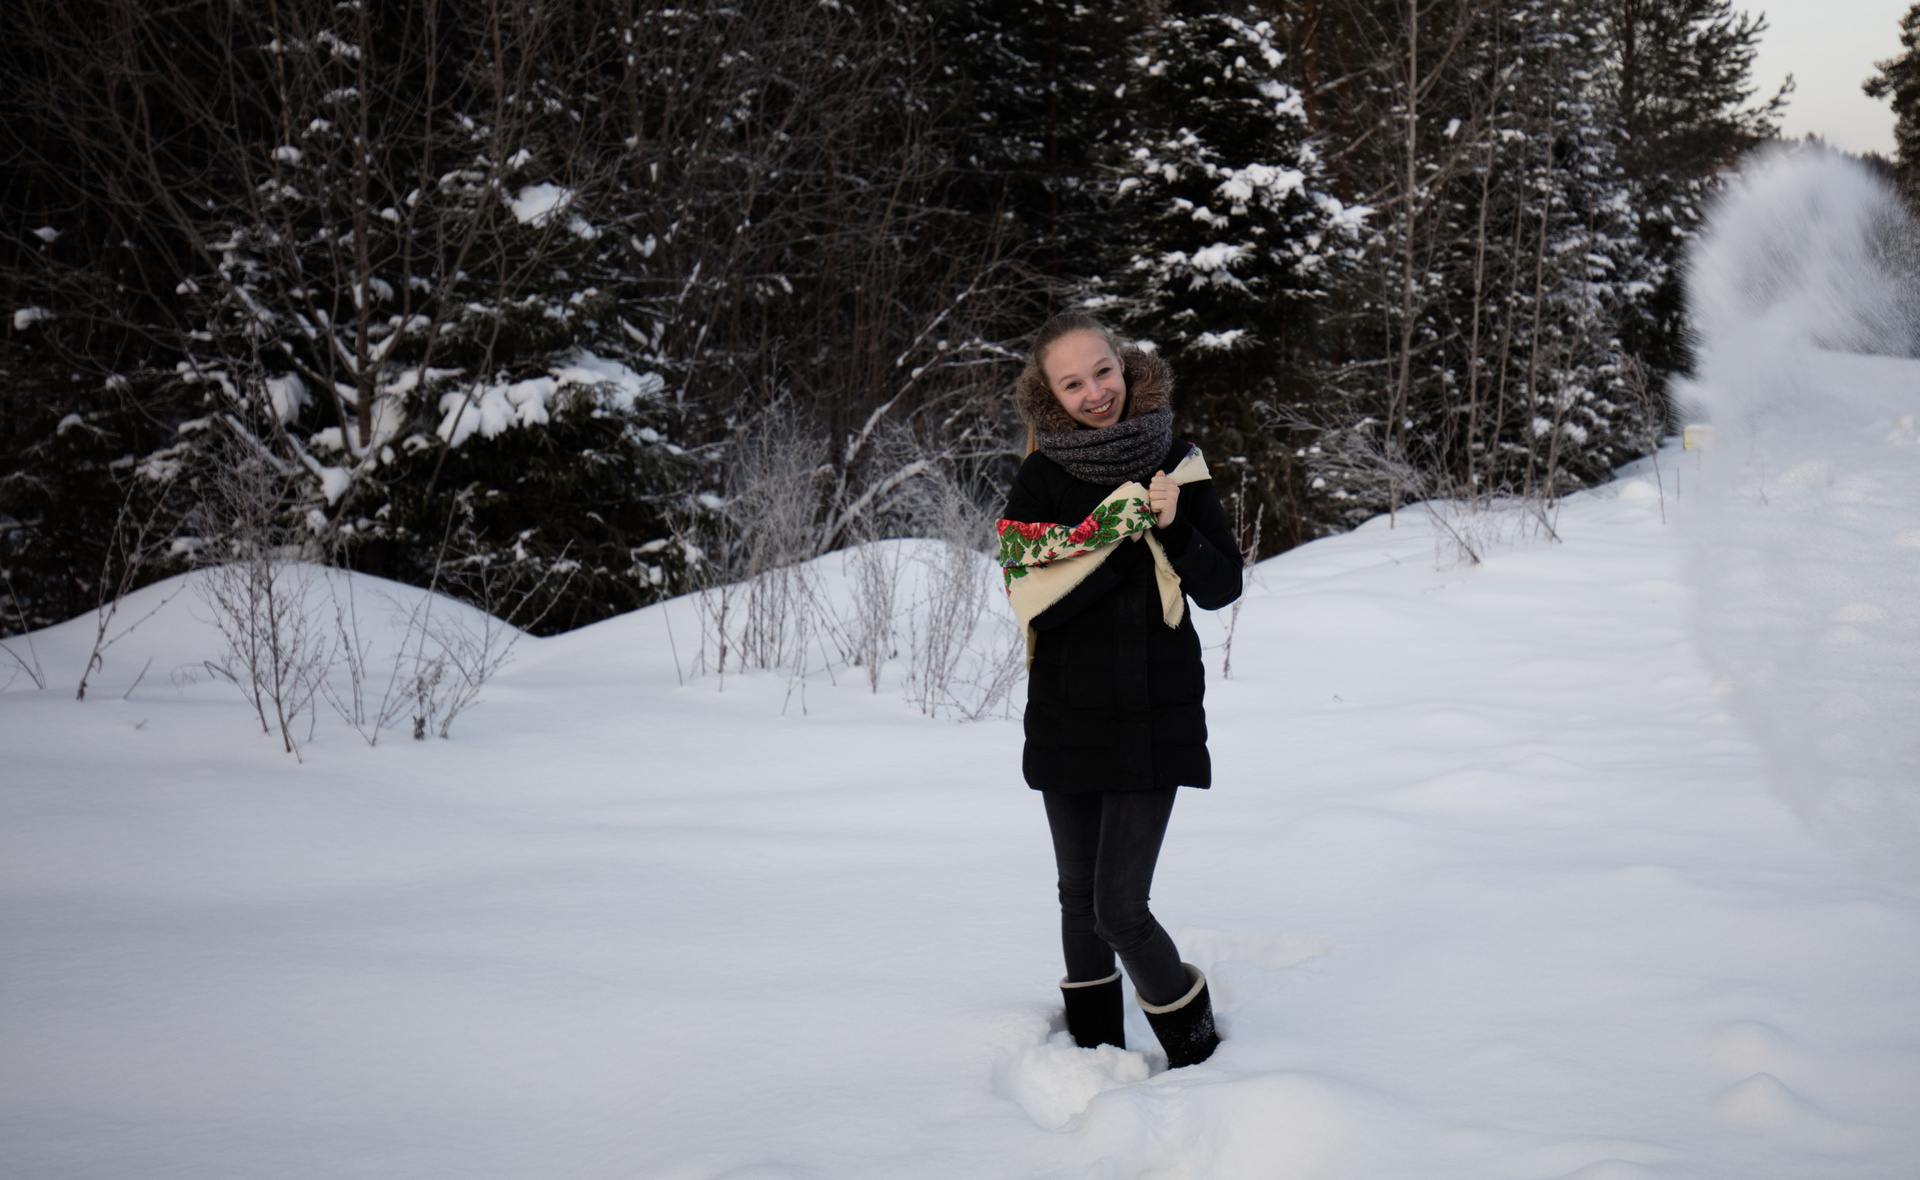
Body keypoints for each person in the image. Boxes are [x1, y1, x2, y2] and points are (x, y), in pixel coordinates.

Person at [996, 312, 1243, 1069]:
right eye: (1073, 384)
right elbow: (1034, 599)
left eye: (1103, 371)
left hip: (1153, 712)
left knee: (1119, 910)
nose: (1096, 392)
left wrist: (1170, 526)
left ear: (1125, 365)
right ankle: (1093, 1053)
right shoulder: (1040, 478)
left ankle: (1199, 1056)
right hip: (1067, 713)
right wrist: (1115, 535)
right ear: (1051, 396)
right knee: (1077, 894)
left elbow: (1222, 587)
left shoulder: (1177, 464)